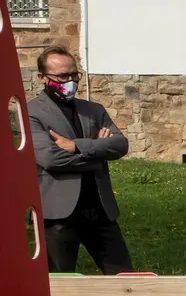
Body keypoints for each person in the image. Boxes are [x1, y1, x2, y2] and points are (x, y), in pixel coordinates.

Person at [27, 45, 133, 275]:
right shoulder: (31, 112)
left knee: (125, 279)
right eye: (62, 76)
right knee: (59, 286)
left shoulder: (93, 110)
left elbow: (120, 145)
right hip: (58, 216)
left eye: (74, 74)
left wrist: (76, 145)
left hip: (100, 211)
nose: (70, 81)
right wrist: (98, 155)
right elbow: (50, 158)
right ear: (42, 78)